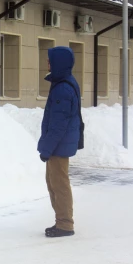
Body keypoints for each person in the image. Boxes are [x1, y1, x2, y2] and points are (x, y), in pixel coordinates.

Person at [38, 46, 82, 238]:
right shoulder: (62, 83)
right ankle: (62, 221)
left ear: (58, 63)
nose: (47, 63)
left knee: (59, 184)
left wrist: (47, 149)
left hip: (58, 146)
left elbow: (58, 124)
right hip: (59, 144)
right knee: (54, 182)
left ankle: (65, 224)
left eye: (50, 60)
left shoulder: (63, 88)